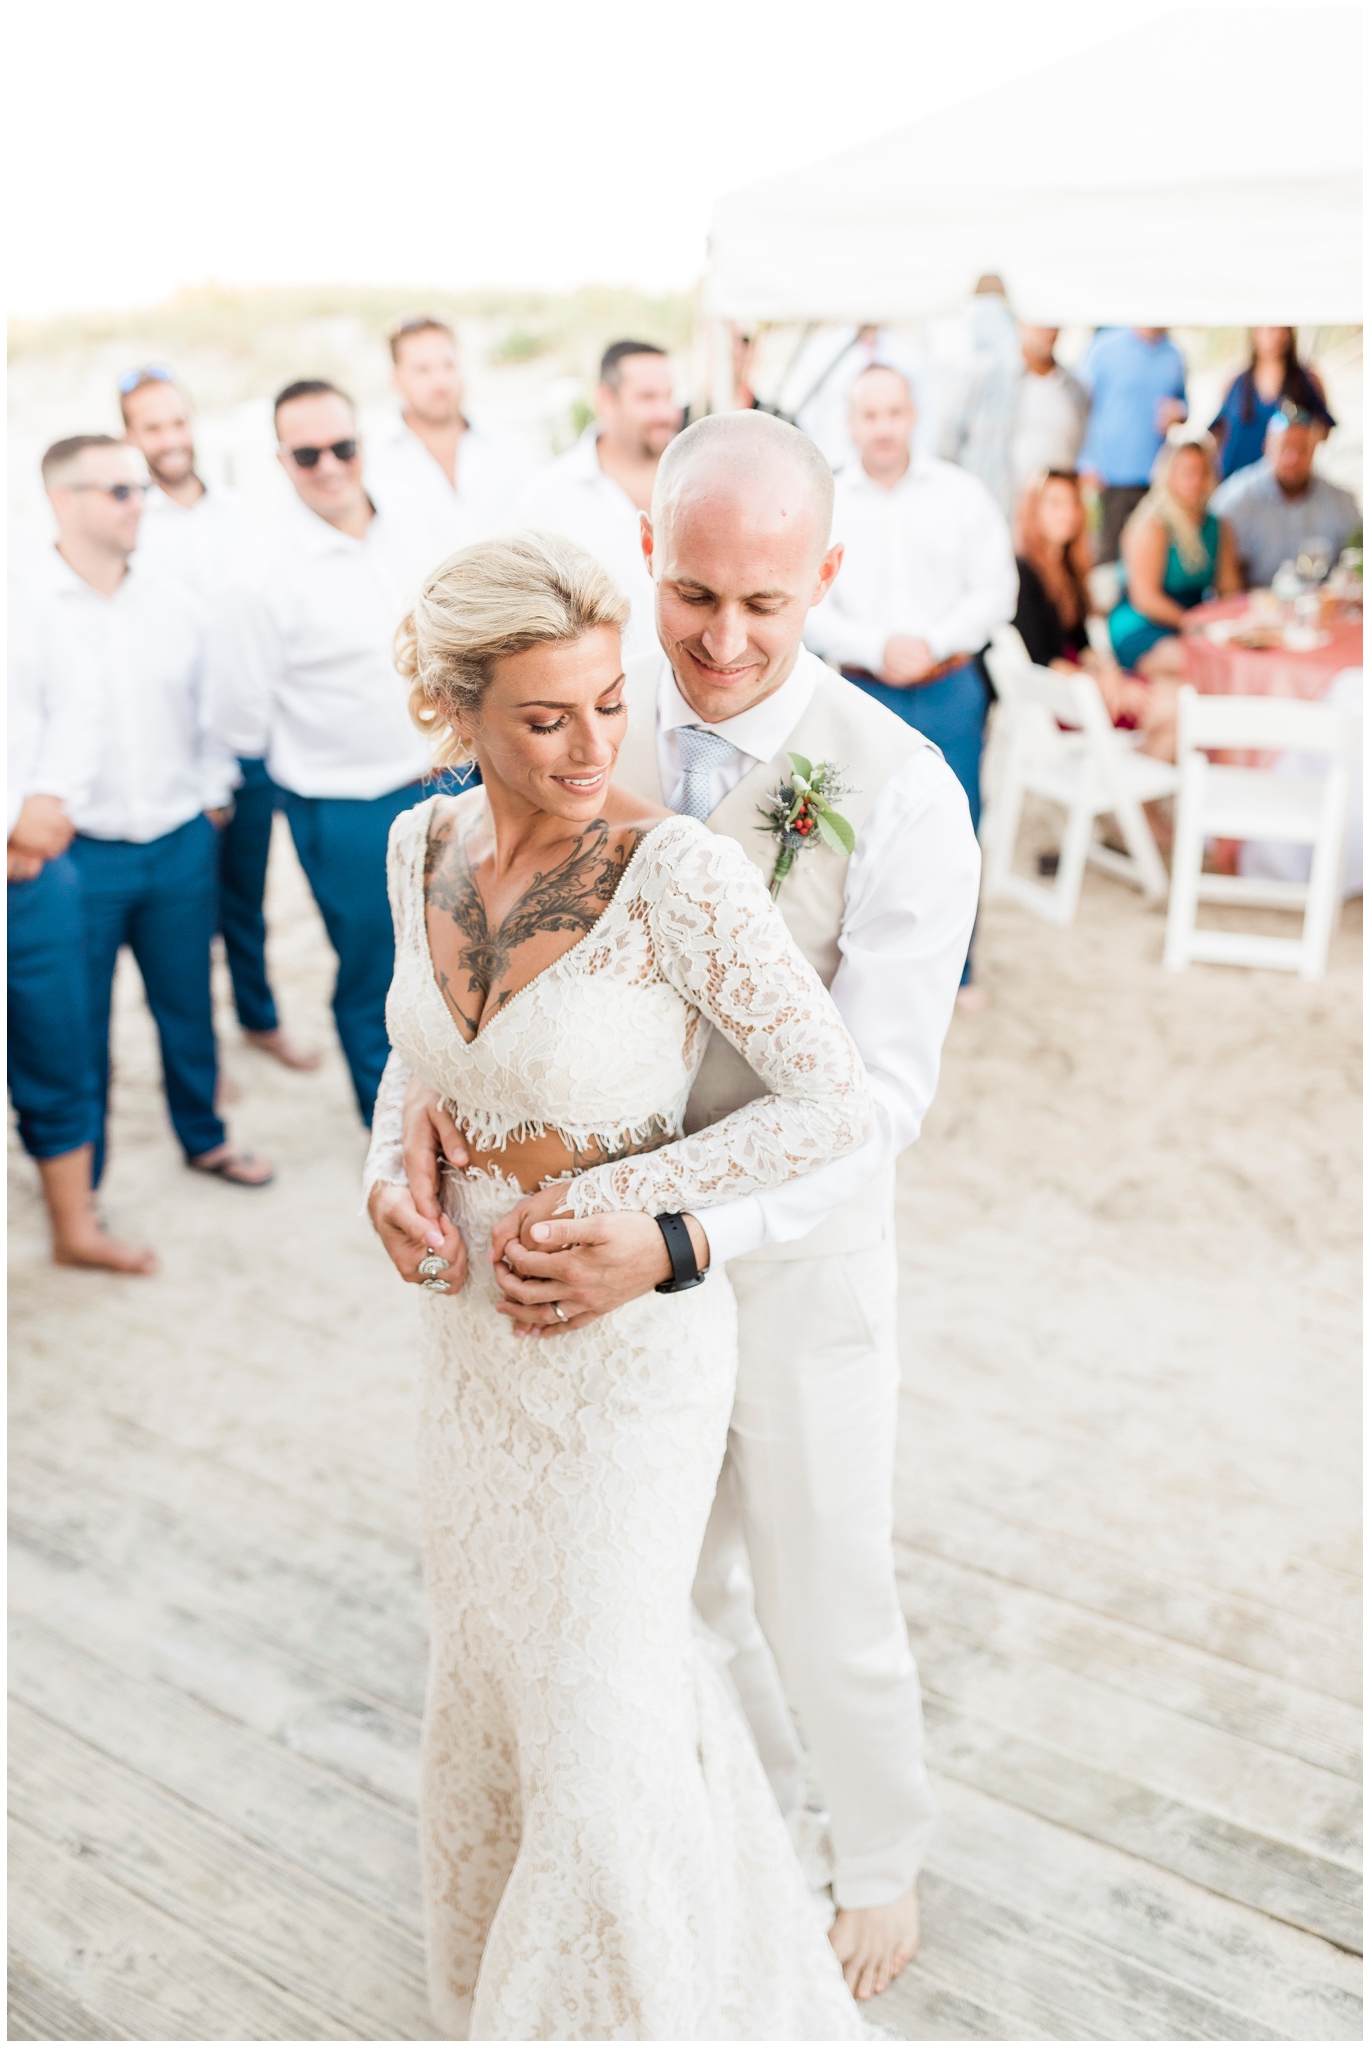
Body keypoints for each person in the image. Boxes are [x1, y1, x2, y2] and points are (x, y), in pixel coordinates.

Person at [386, 412, 982, 2007]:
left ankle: (874, 1857)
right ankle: (677, 1867)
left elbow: (882, 1096)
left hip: (784, 1260)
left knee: (819, 1580)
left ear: (826, 581)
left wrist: (688, 1236)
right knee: (657, 1612)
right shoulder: (582, 716)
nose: (717, 642)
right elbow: (461, 998)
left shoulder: (902, 790)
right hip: (562, 1297)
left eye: (763, 607)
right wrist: (423, 1154)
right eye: (691, 595)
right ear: (648, 559)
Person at [207, 380, 457, 1126]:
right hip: (346, 807)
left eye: (341, 447)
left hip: (454, 779)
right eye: (307, 453)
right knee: (377, 979)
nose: (328, 466)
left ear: (363, 445)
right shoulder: (257, 571)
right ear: (282, 460)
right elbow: (241, 712)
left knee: (464, 956)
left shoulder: (421, 522)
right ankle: (392, 1142)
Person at [37, 435, 271, 1190]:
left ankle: (204, 1138)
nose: (141, 503)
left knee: (188, 1007)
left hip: (178, 843)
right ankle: (83, 1182)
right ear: (61, 499)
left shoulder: (176, 604)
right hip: (78, 853)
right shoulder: (25, 606)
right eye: (119, 491)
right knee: (77, 1025)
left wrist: (207, 803)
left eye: (141, 488)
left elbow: (207, 718)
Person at [120, 365, 317, 1074]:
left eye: (177, 422)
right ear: (130, 437)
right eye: (152, 427)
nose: (170, 439)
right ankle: (201, 1059)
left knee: (250, 894)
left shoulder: (239, 514)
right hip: (175, 748)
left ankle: (259, 1020)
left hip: (249, 741)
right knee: (185, 920)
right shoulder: (133, 521)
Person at [805, 361, 1015, 987]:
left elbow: (997, 590)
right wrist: (877, 644)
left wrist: (931, 641)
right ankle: (859, 966)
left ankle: (959, 968)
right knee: (857, 831)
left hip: (950, 686)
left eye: (893, 413)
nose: (883, 428)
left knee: (956, 828)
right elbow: (806, 602)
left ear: (913, 415)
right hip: (860, 689)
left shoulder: (962, 494)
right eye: (870, 415)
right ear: (851, 422)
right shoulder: (827, 502)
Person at [8, 535, 157, 1273]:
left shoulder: (20, 582)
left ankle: (75, 1227)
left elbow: (75, 702)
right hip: (19, 841)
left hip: (33, 875)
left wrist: (41, 803)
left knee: (58, 1045)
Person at [514, 340, 681, 661]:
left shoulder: (700, 480)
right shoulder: (546, 497)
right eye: (647, 397)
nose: (666, 412)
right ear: (605, 398)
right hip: (603, 698)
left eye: (669, 396)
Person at [1014, 468, 1175, 754]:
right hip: (1063, 698)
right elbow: (1042, 660)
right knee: (1172, 711)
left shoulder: (1067, 568)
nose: (1067, 513)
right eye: (1055, 504)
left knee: (1176, 696)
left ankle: (1133, 787)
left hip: (1082, 682)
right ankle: (1131, 791)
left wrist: (1109, 671)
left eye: (1073, 503)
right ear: (1033, 510)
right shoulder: (1023, 573)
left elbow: (1081, 644)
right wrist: (1102, 684)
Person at [364, 314, 537, 551]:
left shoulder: (511, 451)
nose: (440, 381)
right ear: (397, 379)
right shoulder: (371, 461)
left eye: (448, 365)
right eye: (422, 370)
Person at [1108, 433, 1241, 676]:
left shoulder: (1218, 526)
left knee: (1235, 658)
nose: (1196, 480)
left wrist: (1231, 623)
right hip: (1144, 624)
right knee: (1198, 664)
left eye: (1202, 472)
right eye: (1187, 472)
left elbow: (1228, 589)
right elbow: (1145, 598)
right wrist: (1195, 624)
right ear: (1168, 474)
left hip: (1196, 623)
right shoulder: (1151, 525)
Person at [1210, 403, 1360, 589]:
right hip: (1254, 607)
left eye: (1302, 449)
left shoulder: (1342, 502)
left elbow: (1358, 562)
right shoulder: (1233, 499)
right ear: (1266, 447)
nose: (1293, 458)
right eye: (1285, 448)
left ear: (1315, 450)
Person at [1077, 327, 1189, 562]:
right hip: (1109, 479)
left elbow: (1183, 404)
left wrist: (1179, 414)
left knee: (1151, 558)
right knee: (1107, 560)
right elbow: (1081, 407)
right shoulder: (1104, 348)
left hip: (1155, 481)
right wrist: (1085, 461)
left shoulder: (1174, 355)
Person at [1209, 328, 1332, 481]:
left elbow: (1323, 429)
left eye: (1279, 330)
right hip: (1233, 478)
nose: (1274, 337)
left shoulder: (1306, 380)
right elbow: (1217, 433)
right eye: (1266, 330)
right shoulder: (1236, 381)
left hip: (1283, 486)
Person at [1011, 327, 1090, 503]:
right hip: (1007, 502)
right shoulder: (995, 382)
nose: (1048, 331)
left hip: (1055, 511)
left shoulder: (1076, 388)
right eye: (1040, 324)